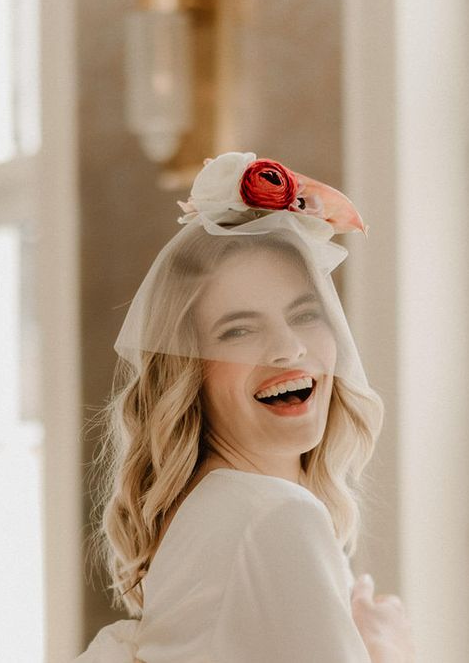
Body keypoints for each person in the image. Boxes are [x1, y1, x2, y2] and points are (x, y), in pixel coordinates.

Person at [75, 152, 415, 662]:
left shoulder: (208, 507)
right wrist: (395, 652)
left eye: (304, 314)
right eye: (239, 329)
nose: (288, 348)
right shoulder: (278, 519)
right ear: (188, 372)